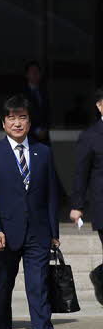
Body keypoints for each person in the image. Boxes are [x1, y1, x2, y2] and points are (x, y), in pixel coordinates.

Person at [0, 94, 60, 329]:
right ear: (3, 123)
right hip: (4, 235)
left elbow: (51, 196)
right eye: (12, 118)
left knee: (39, 289)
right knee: (3, 288)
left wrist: (54, 232)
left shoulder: (43, 152)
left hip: (37, 233)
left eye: (22, 117)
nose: (17, 123)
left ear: (29, 121)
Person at [70, 87, 103, 247]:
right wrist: (77, 205)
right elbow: (81, 173)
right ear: (99, 105)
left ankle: (97, 273)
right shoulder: (90, 137)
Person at [23, 61, 51, 145]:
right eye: (32, 72)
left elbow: (48, 113)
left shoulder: (44, 92)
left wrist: (45, 129)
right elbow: (22, 115)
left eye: (37, 72)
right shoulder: (22, 94)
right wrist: (36, 130)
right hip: (28, 137)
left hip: (44, 138)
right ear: (27, 75)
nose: (35, 74)